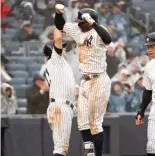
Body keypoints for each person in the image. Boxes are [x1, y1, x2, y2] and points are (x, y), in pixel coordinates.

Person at [54, 5, 112, 156]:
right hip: (85, 81)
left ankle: (98, 154)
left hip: (98, 80)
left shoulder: (98, 31)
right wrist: (59, 13)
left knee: (94, 123)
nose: (79, 23)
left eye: (82, 21)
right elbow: (60, 25)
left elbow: (108, 39)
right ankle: (90, 154)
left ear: (91, 21)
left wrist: (93, 23)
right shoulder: (78, 30)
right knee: (82, 123)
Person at [43, 28, 76, 156]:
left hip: (60, 105)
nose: (64, 49)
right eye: (61, 47)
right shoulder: (55, 60)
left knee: (61, 147)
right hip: (60, 106)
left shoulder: (60, 65)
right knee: (61, 148)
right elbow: (57, 38)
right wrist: (58, 23)